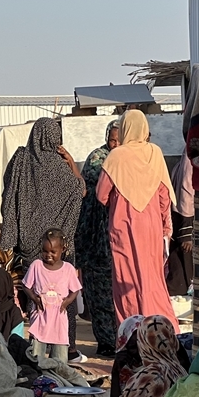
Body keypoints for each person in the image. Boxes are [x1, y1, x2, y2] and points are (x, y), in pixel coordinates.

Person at [0, 118, 86, 362]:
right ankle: (65, 349)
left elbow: (8, 192)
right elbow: (80, 192)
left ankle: (36, 348)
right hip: (59, 249)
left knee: (35, 298)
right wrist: (70, 163)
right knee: (61, 297)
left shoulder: (21, 161)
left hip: (29, 244)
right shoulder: (61, 169)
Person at [97, 110, 179, 330]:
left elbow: (101, 195)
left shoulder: (116, 156)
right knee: (152, 279)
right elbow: (164, 196)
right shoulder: (155, 153)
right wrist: (164, 227)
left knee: (126, 282)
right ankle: (164, 330)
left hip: (123, 227)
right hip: (151, 226)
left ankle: (132, 334)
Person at [76, 121, 122, 356]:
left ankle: (123, 340)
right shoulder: (97, 157)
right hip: (95, 234)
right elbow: (90, 191)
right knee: (98, 292)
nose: (114, 144)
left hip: (119, 236)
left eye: (118, 139)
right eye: (112, 139)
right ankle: (105, 342)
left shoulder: (129, 158)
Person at [22, 230, 82, 364]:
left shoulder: (68, 269)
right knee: (36, 357)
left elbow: (75, 290)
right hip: (40, 318)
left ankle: (58, 381)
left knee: (59, 359)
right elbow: (26, 286)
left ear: (63, 249)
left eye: (53, 252)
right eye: (45, 251)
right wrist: (35, 299)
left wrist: (66, 302)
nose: (48, 255)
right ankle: (37, 379)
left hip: (59, 320)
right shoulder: (36, 266)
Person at [166, 152, 195, 297]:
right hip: (188, 218)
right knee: (184, 268)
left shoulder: (190, 156)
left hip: (188, 218)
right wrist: (187, 231)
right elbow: (186, 190)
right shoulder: (190, 157)